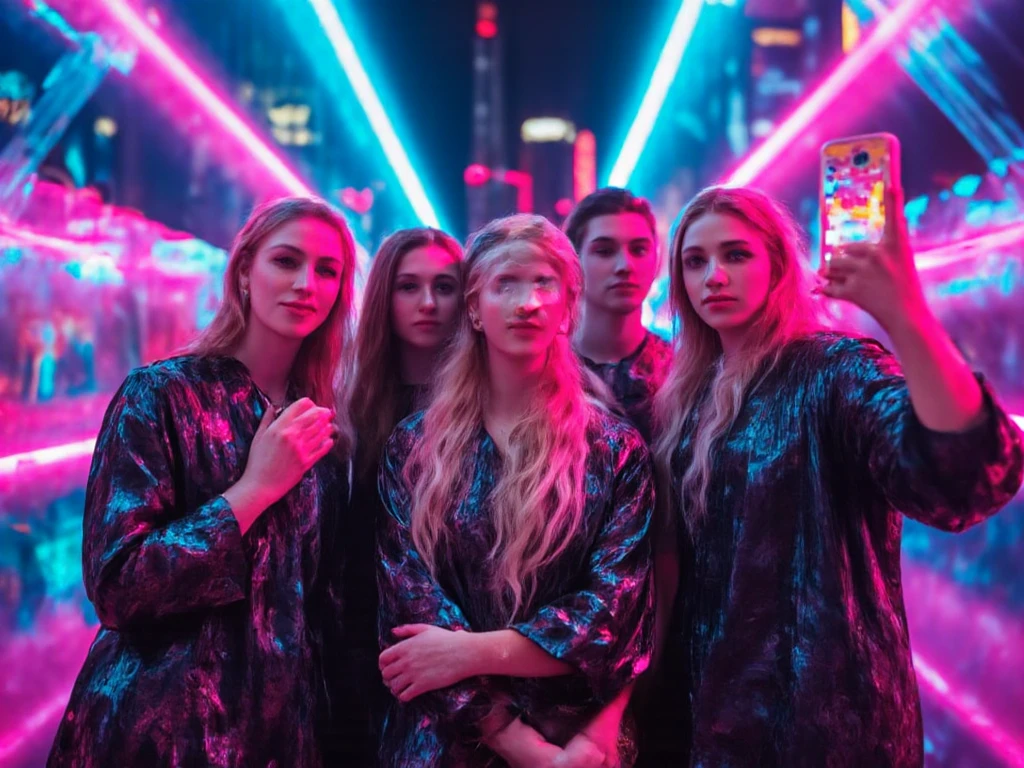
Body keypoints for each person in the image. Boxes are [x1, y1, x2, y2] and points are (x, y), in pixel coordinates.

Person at [652, 185, 1024, 767]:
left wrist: (905, 313)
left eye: (736, 254)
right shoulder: (686, 397)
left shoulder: (835, 368)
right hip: (714, 722)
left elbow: (963, 475)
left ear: (777, 264)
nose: (713, 276)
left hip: (831, 724)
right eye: (695, 261)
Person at [48, 196, 358, 767]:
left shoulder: (324, 427)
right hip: (161, 731)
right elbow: (118, 585)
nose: (305, 284)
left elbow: (321, 611)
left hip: (280, 738)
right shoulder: (160, 395)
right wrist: (253, 490)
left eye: (326, 270)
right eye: (285, 261)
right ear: (244, 272)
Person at [376, 214, 655, 766]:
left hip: (577, 744)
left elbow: (612, 615)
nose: (527, 302)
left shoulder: (615, 449)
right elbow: (410, 611)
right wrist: (512, 741)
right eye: (506, 284)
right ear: (475, 309)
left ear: (568, 306)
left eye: (543, 283)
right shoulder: (413, 447)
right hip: (442, 743)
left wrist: (469, 652)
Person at [335, 227, 464, 764]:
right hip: (356, 644)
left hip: (459, 649)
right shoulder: (347, 403)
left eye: (445, 285)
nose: (428, 303)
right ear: (383, 295)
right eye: (408, 286)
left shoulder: (486, 411)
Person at [564, 188, 672, 443]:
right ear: (572, 260)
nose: (625, 266)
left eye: (639, 250)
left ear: (656, 260)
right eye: (604, 251)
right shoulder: (544, 371)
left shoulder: (682, 373)